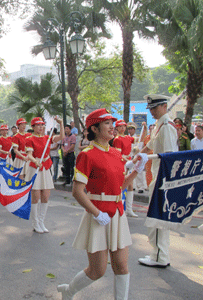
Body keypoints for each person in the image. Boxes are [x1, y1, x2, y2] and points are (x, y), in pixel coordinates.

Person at [57, 108, 147, 300]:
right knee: (97, 271)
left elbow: (120, 187)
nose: (112, 127)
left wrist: (136, 171)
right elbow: (77, 191)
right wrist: (97, 214)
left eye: (112, 124)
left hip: (118, 213)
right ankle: (69, 291)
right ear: (95, 129)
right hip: (99, 215)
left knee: (122, 267)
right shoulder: (87, 155)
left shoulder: (116, 153)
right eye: (107, 123)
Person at [138, 94, 178, 268]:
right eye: (151, 109)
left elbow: (168, 156)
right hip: (156, 175)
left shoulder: (167, 127)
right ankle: (157, 254)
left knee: (158, 217)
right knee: (155, 216)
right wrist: (138, 155)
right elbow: (151, 145)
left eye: (155, 108)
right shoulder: (159, 126)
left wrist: (148, 156)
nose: (152, 111)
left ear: (164, 106)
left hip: (162, 177)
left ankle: (160, 257)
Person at [25, 116, 64, 233]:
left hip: (46, 167)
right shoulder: (30, 139)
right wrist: (35, 161)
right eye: (38, 125)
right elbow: (29, 154)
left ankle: (42, 221)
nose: (41, 127)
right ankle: (35, 222)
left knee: (45, 196)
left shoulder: (47, 138)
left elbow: (61, 137)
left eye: (42, 125)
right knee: (36, 197)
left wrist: (61, 123)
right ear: (33, 127)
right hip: (35, 168)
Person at [112, 120, 138, 217]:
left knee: (130, 185)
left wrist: (142, 128)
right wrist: (127, 159)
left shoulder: (127, 137)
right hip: (122, 164)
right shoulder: (117, 139)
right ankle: (120, 208)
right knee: (122, 185)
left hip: (129, 162)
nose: (122, 128)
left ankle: (129, 209)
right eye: (120, 126)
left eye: (124, 126)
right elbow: (118, 155)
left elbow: (139, 140)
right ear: (117, 128)